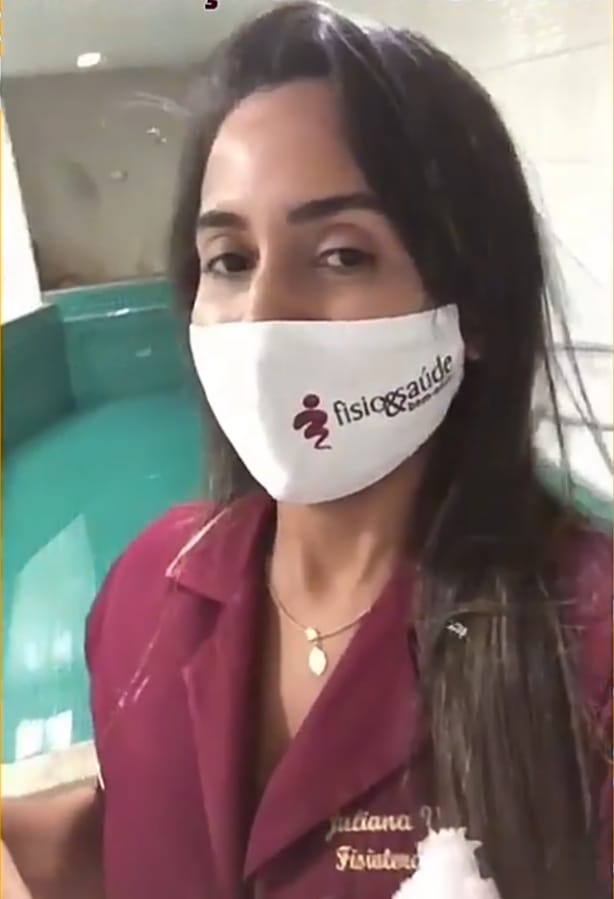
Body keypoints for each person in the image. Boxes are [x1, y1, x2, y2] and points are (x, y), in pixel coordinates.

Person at [3, 3, 611, 898]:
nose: (262, 317)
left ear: (475, 307)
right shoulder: (148, 586)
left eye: (340, 255)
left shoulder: (588, 653)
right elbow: (138, 830)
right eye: (229, 259)